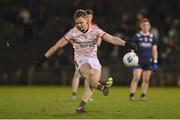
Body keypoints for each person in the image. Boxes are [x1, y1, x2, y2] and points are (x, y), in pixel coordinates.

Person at [35, 9, 136, 112]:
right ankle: (103, 88)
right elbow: (58, 45)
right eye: (77, 23)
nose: (79, 25)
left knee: (92, 84)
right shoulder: (73, 32)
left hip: (94, 59)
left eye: (81, 22)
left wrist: (127, 44)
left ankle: (81, 107)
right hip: (80, 59)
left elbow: (112, 38)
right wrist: (44, 57)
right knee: (90, 75)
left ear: (87, 20)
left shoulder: (95, 30)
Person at [71, 9, 102, 100]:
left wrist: (97, 43)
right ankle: (74, 93)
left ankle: (87, 94)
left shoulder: (94, 27)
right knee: (77, 74)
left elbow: (100, 36)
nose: (89, 17)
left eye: (90, 16)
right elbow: (71, 37)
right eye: (87, 16)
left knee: (89, 75)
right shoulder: (79, 26)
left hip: (91, 55)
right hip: (80, 55)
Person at [129, 18, 158, 101]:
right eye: (144, 25)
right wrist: (131, 61)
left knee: (146, 79)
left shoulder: (152, 37)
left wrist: (155, 62)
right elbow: (132, 50)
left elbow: (154, 50)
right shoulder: (137, 36)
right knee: (136, 77)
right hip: (138, 61)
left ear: (149, 26)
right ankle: (132, 94)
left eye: (147, 25)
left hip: (148, 61)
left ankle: (143, 95)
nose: (145, 27)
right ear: (141, 26)